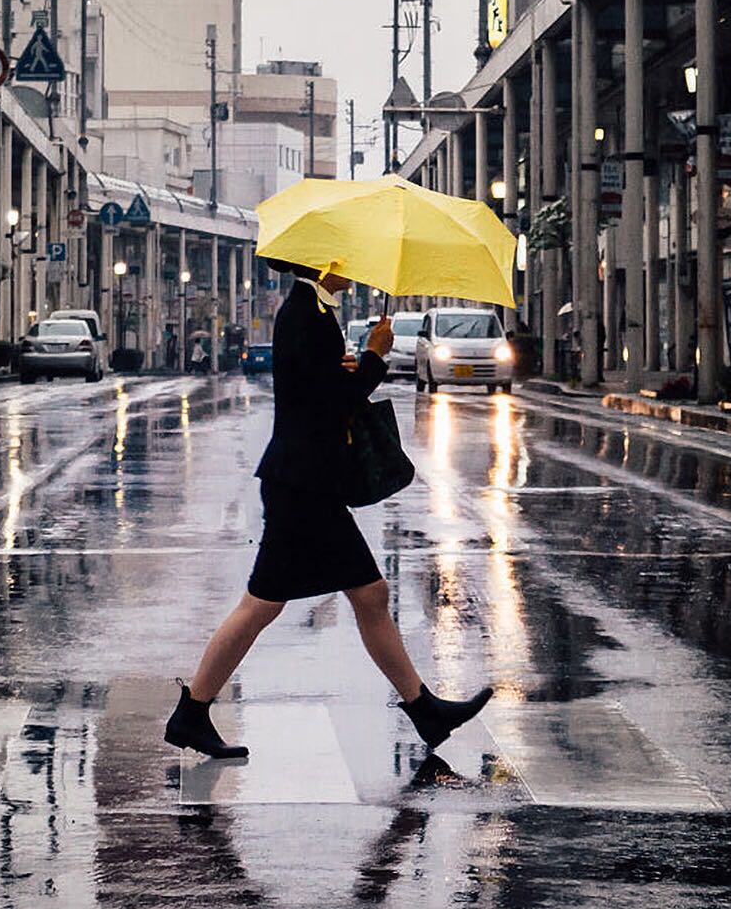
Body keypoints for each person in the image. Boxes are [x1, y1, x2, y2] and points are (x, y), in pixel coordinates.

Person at [165, 261, 492, 761]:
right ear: (326, 265)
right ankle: (193, 710)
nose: (357, 268)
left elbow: (315, 388)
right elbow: (328, 402)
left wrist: (350, 365)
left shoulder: (313, 312)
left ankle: (423, 708)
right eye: (346, 261)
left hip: (304, 482)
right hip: (302, 485)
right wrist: (374, 360)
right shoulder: (305, 313)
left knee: (357, 595)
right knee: (275, 603)